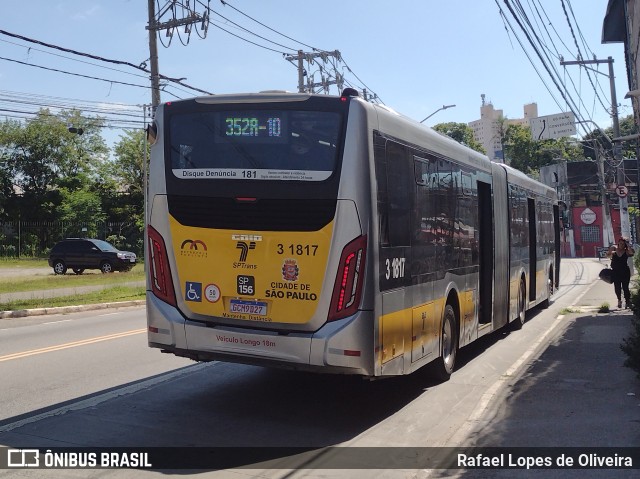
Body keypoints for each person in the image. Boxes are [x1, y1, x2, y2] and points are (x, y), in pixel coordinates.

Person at [608, 237, 635, 308]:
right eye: (620, 243)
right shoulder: (614, 249)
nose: (621, 245)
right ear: (618, 243)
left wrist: (628, 245)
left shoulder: (626, 251)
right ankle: (619, 300)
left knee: (625, 287)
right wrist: (610, 252)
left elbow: (631, 253)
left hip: (625, 271)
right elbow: (607, 255)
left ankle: (628, 302)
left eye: (623, 244)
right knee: (617, 287)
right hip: (615, 271)